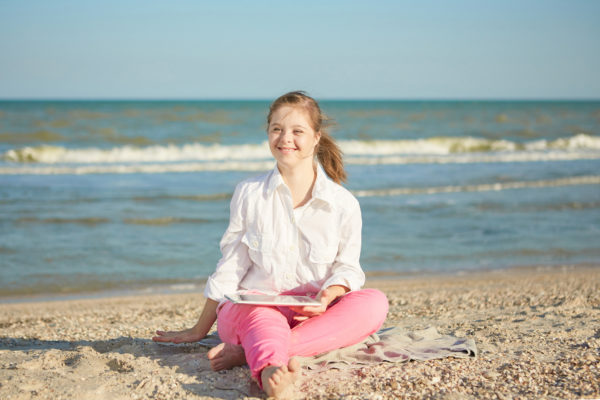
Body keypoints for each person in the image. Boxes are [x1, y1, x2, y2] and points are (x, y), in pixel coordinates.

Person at [153, 91, 389, 399]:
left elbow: (348, 268)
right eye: (276, 128)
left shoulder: (343, 203)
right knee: (264, 318)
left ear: (316, 138)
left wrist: (327, 297)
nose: (285, 138)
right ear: (267, 132)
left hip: (313, 311)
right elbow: (232, 265)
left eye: (297, 131)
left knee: (373, 303)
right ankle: (269, 370)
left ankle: (247, 353)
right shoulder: (249, 193)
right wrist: (200, 329)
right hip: (254, 306)